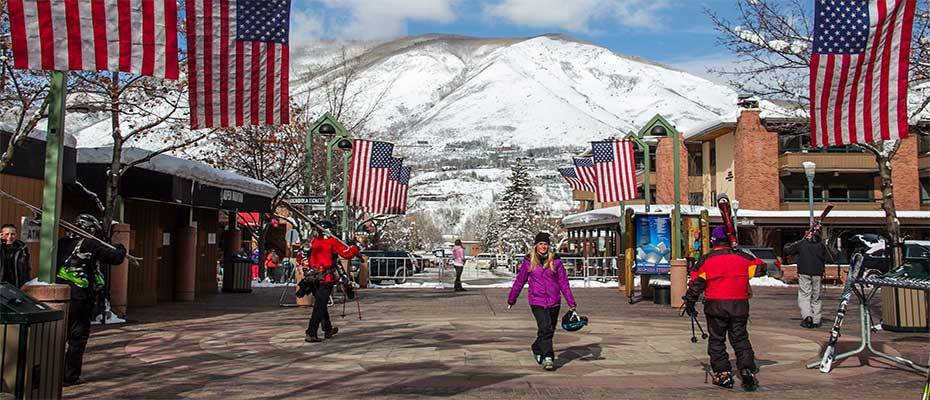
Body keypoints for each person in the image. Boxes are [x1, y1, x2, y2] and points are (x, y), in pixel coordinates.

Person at [683, 226, 764, 391]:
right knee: (740, 338)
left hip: (715, 305)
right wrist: (739, 252)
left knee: (717, 340)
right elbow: (761, 268)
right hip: (739, 305)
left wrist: (690, 303)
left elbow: (696, 282)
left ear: (713, 241)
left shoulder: (707, 260)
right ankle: (747, 369)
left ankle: (723, 373)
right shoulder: (742, 257)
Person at [55, 214, 127, 386]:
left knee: (57, 336)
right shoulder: (90, 244)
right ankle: (70, 375)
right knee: (77, 338)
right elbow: (115, 257)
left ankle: (49, 372)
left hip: (61, 296)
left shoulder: (61, 243)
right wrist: (121, 247)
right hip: (80, 297)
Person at [507, 232, 576, 371]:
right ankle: (548, 357)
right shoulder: (529, 262)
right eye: (540, 244)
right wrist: (512, 299)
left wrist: (571, 302)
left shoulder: (556, 261)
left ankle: (536, 347)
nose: (543, 247)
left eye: (545, 244)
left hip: (554, 300)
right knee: (545, 327)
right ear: (536, 246)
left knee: (550, 329)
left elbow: (564, 284)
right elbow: (519, 282)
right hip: (537, 300)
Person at [299, 220, 360, 343]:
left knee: (321, 304)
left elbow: (301, 256)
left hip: (311, 278)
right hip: (325, 278)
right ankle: (311, 333)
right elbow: (346, 254)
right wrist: (354, 248)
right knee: (320, 306)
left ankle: (327, 329)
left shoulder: (312, 242)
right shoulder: (332, 242)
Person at [784, 230, 831, 329]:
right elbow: (831, 256)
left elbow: (787, 250)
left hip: (804, 271)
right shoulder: (821, 245)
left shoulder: (802, 244)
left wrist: (795, 243)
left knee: (804, 295)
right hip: (817, 272)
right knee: (816, 297)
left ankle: (807, 316)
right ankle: (816, 320)